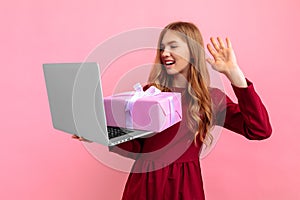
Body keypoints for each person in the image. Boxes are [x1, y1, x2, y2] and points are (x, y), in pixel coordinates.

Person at [76, 21, 272, 200]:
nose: (164, 53)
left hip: (185, 187)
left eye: (173, 46)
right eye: (162, 47)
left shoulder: (212, 98)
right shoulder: (149, 93)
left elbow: (259, 129)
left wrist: (235, 75)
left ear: (192, 52)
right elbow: (139, 147)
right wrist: (101, 133)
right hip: (145, 184)